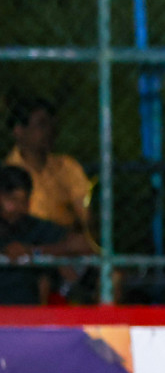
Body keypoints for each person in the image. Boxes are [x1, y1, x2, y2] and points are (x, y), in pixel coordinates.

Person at [0, 166, 92, 304]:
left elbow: (84, 244)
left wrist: (32, 252)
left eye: (24, 201)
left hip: (28, 314)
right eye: (12, 200)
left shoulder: (35, 227)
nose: (19, 207)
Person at [6, 99, 92, 236]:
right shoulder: (7, 172)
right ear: (19, 131)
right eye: (41, 125)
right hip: (23, 245)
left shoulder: (67, 166)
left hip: (63, 244)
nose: (50, 131)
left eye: (53, 125)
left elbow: (85, 216)